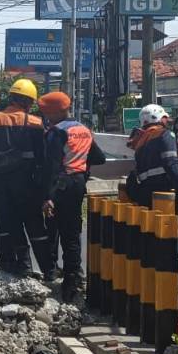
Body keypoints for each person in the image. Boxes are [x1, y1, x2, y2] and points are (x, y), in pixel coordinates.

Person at [0, 78, 53, 278]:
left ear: (11, 97)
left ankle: (21, 266)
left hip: (3, 184)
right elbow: (44, 160)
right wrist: (45, 190)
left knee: (11, 224)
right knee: (35, 225)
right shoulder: (36, 123)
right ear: (29, 101)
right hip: (28, 183)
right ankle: (49, 270)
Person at [39, 91, 105, 301]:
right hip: (78, 184)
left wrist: (48, 196)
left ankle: (53, 274)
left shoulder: (56, 132)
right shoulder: (84, 130)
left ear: (56, 112)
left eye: (47, 113)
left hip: (60, 185)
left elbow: (52, 166)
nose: (46, 117)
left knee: (53, 229)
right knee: (72, 234)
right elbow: (99, 157)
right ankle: (73, 279)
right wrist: (81, 166)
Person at [128, 103, 178, 212]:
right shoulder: (165, 134)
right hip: (164, 194)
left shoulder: (140, 140)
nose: (166, 121)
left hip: (145, 194)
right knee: (166, 226)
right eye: (164, 118)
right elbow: (171, 164)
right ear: (157, 118)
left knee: (149, 227)